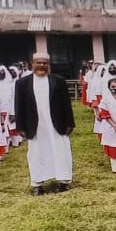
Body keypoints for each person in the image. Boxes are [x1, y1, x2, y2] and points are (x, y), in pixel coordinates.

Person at [14, 52, 75, 194]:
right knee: (36, 153)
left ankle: (64, 181)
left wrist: (69, 123)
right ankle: (37, 184)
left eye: (44, 63)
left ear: (49, 65)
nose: (41, 65)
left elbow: (66, 104)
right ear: (32, 64)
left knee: (61, 151)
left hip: (57, 124)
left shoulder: (58, 81)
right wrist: (20, 126)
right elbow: (19, 106)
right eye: (38, 63)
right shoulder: (22, 83)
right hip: (35, 125)